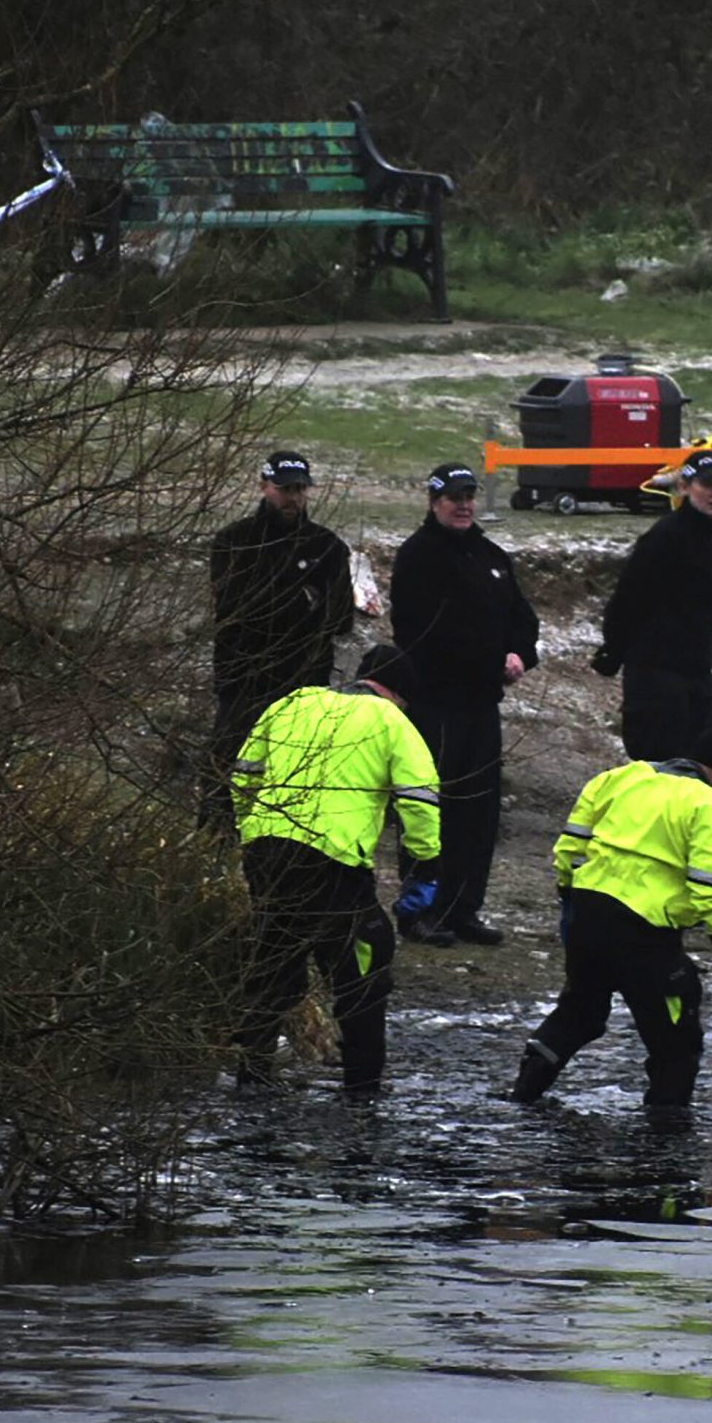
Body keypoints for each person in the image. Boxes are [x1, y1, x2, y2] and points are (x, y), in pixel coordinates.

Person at [507, 712, 712, 1115]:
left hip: (588, 914)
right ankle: (665, 1138)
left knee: (580, 1013)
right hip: (644, 933)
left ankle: (521, 1096)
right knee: (675, 1038)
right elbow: (709, 887)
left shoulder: (621, 777)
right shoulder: (707, 804)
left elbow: (569, 846)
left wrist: (569, 902)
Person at [225, 644, 440, 1091]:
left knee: (273, 958)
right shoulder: (391, 722)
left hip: (267, 851)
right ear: (398, 694)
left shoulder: (293, 704)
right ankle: (363, 1087)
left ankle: (252, 1073)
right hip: (331, 859)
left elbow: (243, 774)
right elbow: (420, 800)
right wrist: (423, 863)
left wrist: (252, 833)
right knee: (363, 961)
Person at [386, 462, 541, 947]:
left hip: (480, 706)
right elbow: (424, 634)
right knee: (431, 809)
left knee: (479, 814)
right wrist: (491, 661)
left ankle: (464, 907)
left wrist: (518, 655)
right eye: (454, 497)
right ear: (434, 502)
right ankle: (419, 910)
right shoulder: (418, 557)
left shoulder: (490, 556)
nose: (464, 504)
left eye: (470, 496)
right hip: (435, 703)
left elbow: (523, 618)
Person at [208, 448, 355, 824]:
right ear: (264, 486)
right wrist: (302, 598)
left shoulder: (328, 547)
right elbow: (238, 611)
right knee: (224, 783)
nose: (293, 498)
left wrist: (292, 604)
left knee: (297, 789)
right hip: (244, 684)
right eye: (285, 488)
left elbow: (339, 618)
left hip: (304, 688)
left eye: (300, 489)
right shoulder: (234, 542)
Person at [591, 447, 712, 762]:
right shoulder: (664, 538)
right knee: (659, 759)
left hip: (696, 669)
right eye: (708, 485)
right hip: (655, 670)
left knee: (699, 759)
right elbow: (627, 598)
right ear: (684, 487)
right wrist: (613, 651)